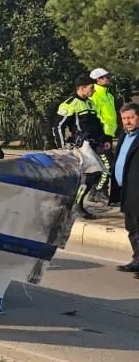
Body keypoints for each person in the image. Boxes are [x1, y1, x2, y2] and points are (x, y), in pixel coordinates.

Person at [57, 74, 108, 220]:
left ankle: (75, 203)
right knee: (94, 173)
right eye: (91, 88)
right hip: (80, 145)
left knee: (94, 174)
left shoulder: (90, 103)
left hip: (93, 144)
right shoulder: (70, 104)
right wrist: (63, 147)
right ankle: (77, 205)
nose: (93, 90)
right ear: (82, 88)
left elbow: (96, 125)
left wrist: (104, 139)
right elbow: (58, 126)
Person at [111, 103, 139, 275]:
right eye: (124, 119)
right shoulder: (124, 136)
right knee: (132, 227)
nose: (127, 122)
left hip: (137, 190)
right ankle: (137, 260)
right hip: (126, 189)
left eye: (131, 117)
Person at [89, 68, 120, 204]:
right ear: (98, 79)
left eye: (108, 76)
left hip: (108, 135)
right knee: (107, 165)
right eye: (106, 77)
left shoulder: (109, 94)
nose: (109, 78)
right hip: (101, 137)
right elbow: (95, 117)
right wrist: (101, 135)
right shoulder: (95, 95)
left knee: (106, 164)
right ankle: (98, 192)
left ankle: (97, 191)